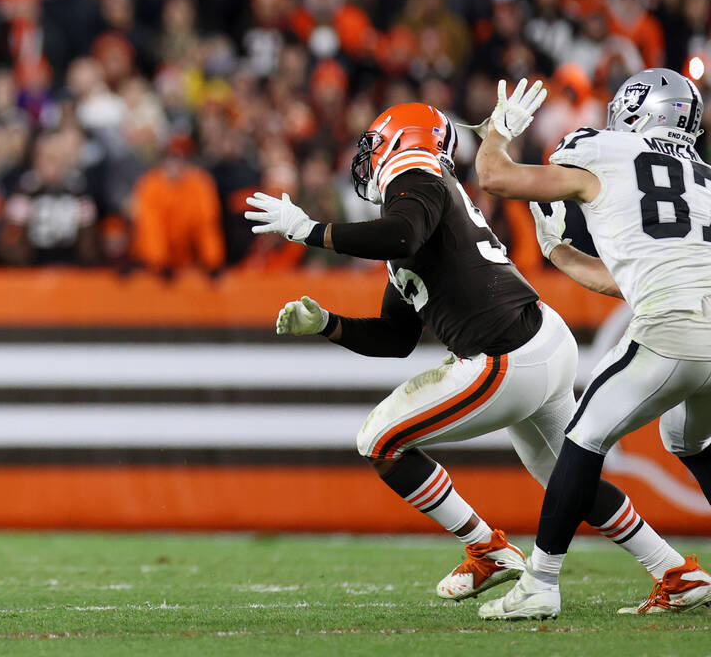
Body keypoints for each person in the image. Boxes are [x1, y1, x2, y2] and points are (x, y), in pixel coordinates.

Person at [244, 100, 689, 606]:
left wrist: (308, 231)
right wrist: (327, 324)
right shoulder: (427, 199)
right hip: (540, 340)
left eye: (372, 144)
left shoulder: (416, 177)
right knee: (564, 478)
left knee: (378, 440)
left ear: (399, 139)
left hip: (505, 355)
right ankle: (675, 572)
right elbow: (396, 337)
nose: (365, 158)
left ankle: (486, 550)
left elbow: (401, 232)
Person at [473, 69, 711, 619]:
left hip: (669, 326)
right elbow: (624, 278)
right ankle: (676, 579)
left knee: (581, 437)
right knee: (689, 441)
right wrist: (560, 254)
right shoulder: (702, 175)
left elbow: (495, 178)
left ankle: (541, 582)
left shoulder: (603, 149)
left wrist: (498, 131)